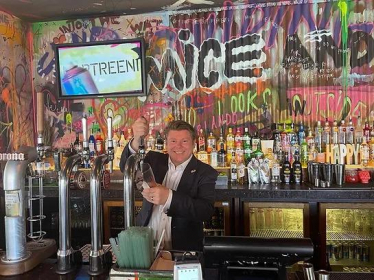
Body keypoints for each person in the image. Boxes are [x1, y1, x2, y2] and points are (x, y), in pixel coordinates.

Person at [120, 117, 218, 251]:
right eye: (173, 141)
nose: (178, 146)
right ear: (166, 143)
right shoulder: (153, 160)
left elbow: (205, 211)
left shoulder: (205, 172)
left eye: (184, 141)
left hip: (181, 250)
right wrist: (137, 139)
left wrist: (169, 198)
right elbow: (126, 168)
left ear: (194, 144)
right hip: (144, 245)